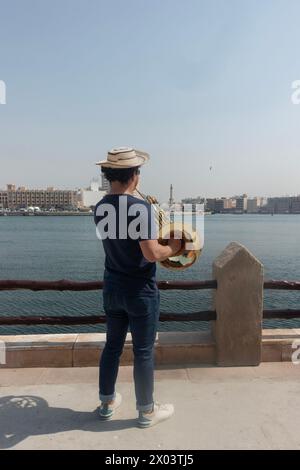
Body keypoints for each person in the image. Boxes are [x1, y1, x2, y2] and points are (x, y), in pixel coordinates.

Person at [94, 147, 181, 428]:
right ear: (134, 175)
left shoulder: (100, 207)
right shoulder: (139, 208)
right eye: (139, 172)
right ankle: (147, 411)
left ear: (110, 175)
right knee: (143, 351)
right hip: (139, 291)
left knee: (112, 348)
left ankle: (107, 403)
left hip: (112, 287)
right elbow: (151, 253)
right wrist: (175, 247)